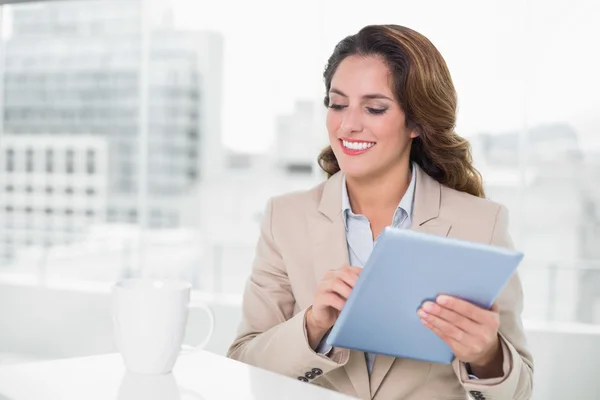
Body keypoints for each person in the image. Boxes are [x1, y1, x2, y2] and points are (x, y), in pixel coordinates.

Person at [227, 24, 533, 400]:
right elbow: (240, 366)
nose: (348, 124)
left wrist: (486, 356)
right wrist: (312, 326)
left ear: (417, 122)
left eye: (374, 108)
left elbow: (520, 393)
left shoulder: (482, 223)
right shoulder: (284, 218)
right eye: (337, 104)